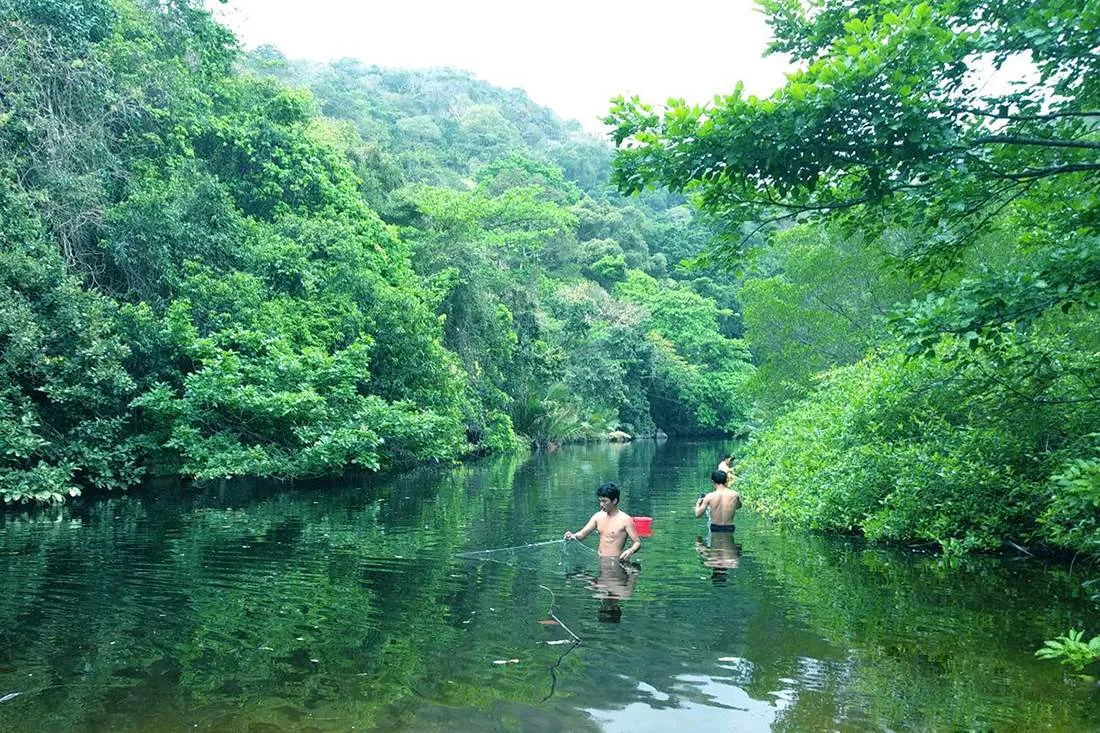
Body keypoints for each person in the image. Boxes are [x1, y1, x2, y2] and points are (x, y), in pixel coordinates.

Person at [564, 482, 641, 562]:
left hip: (616, 562)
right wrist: (572, 536)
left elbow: (637, 543)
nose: (601, 504)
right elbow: (582, 534)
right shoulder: (598, 516)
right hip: (600, 560)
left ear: (614, 501)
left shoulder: (625, 520)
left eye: (604, 501)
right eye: (600, 501)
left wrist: (630, 551)